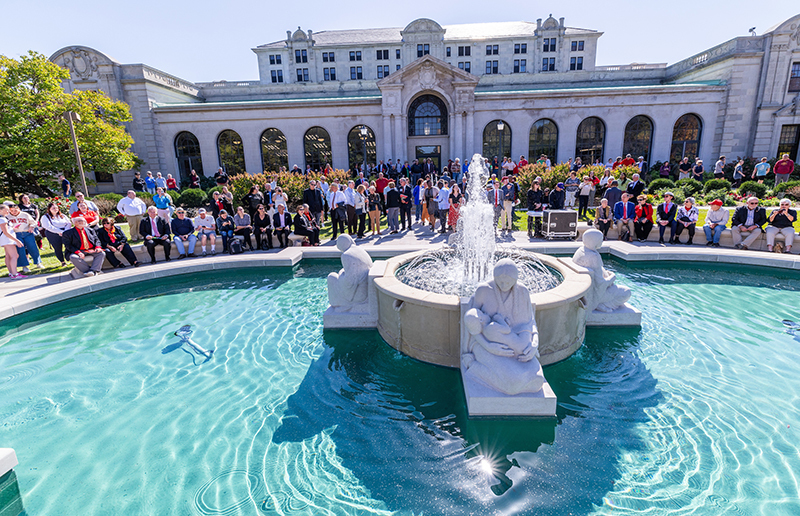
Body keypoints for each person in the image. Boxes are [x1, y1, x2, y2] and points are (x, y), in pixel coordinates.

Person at [7, 202, 43, 272]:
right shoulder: (8, 217)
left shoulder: (25, 215)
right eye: (12, 211)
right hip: (16, 234)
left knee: (33, 248)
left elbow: (33, 222)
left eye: (15, 210)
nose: (14, 212)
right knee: (20, 250)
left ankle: (38, 263)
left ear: (19, 209)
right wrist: (12, 228)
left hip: (27, 233)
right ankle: (24, 266)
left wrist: (32, 227)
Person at [40, 201, 72, 266]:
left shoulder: (62, 215)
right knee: (58, 248)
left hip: (65, 232)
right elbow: (48, 226)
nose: (55, 209)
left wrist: (65, 231)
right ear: (49, 209)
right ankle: (62, 262)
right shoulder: (45, 217)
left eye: (56, 208)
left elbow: (69, 223)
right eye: (53, 208)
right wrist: (59, 231)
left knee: (69, 246)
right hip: (53, 233)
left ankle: (70, 259)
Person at [0, 203, 25, 279]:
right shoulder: (2, 219)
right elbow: (5, 232)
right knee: (14, 256)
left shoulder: (3, 218)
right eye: (6, 210)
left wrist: (13, 228)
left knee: (9, 256)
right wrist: (17, 240)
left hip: (6, 239)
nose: (8, 211)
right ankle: (15, 274)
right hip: (7, 240)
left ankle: (12, 272)